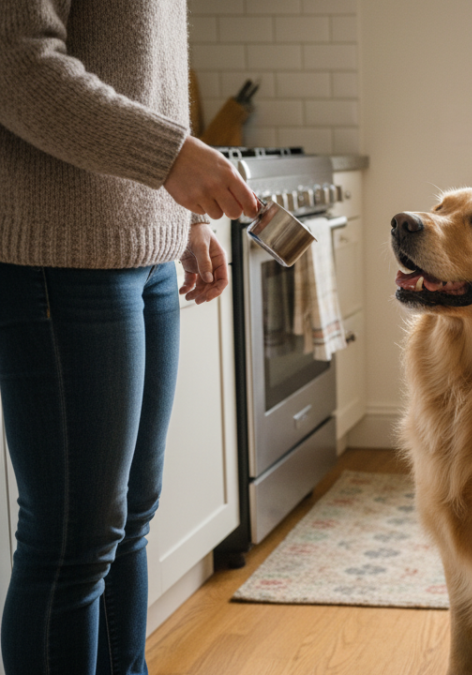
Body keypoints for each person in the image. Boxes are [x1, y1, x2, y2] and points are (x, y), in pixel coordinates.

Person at [0, 1, 260, 672]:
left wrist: (188, 215)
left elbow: (152, 73)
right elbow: (18, 66)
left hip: (142, 243)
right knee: (72, 541)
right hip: (60, 249)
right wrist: (172, 156)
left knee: (126, 521)